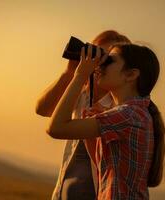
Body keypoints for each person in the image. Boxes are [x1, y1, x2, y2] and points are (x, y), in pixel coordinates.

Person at [46, 43, 165, 199]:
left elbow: (56, 128)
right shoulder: (134, 113)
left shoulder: (127, 115)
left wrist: (80, 75)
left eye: (109, 60)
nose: (101, 65)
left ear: (130, 75)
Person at [36, 30, 131, 200]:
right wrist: (70, 72)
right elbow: (42, 109)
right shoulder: (81, 95)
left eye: (107, 59)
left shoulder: (120, 109)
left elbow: (55, 129)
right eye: (95, 54)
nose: (98, 64)